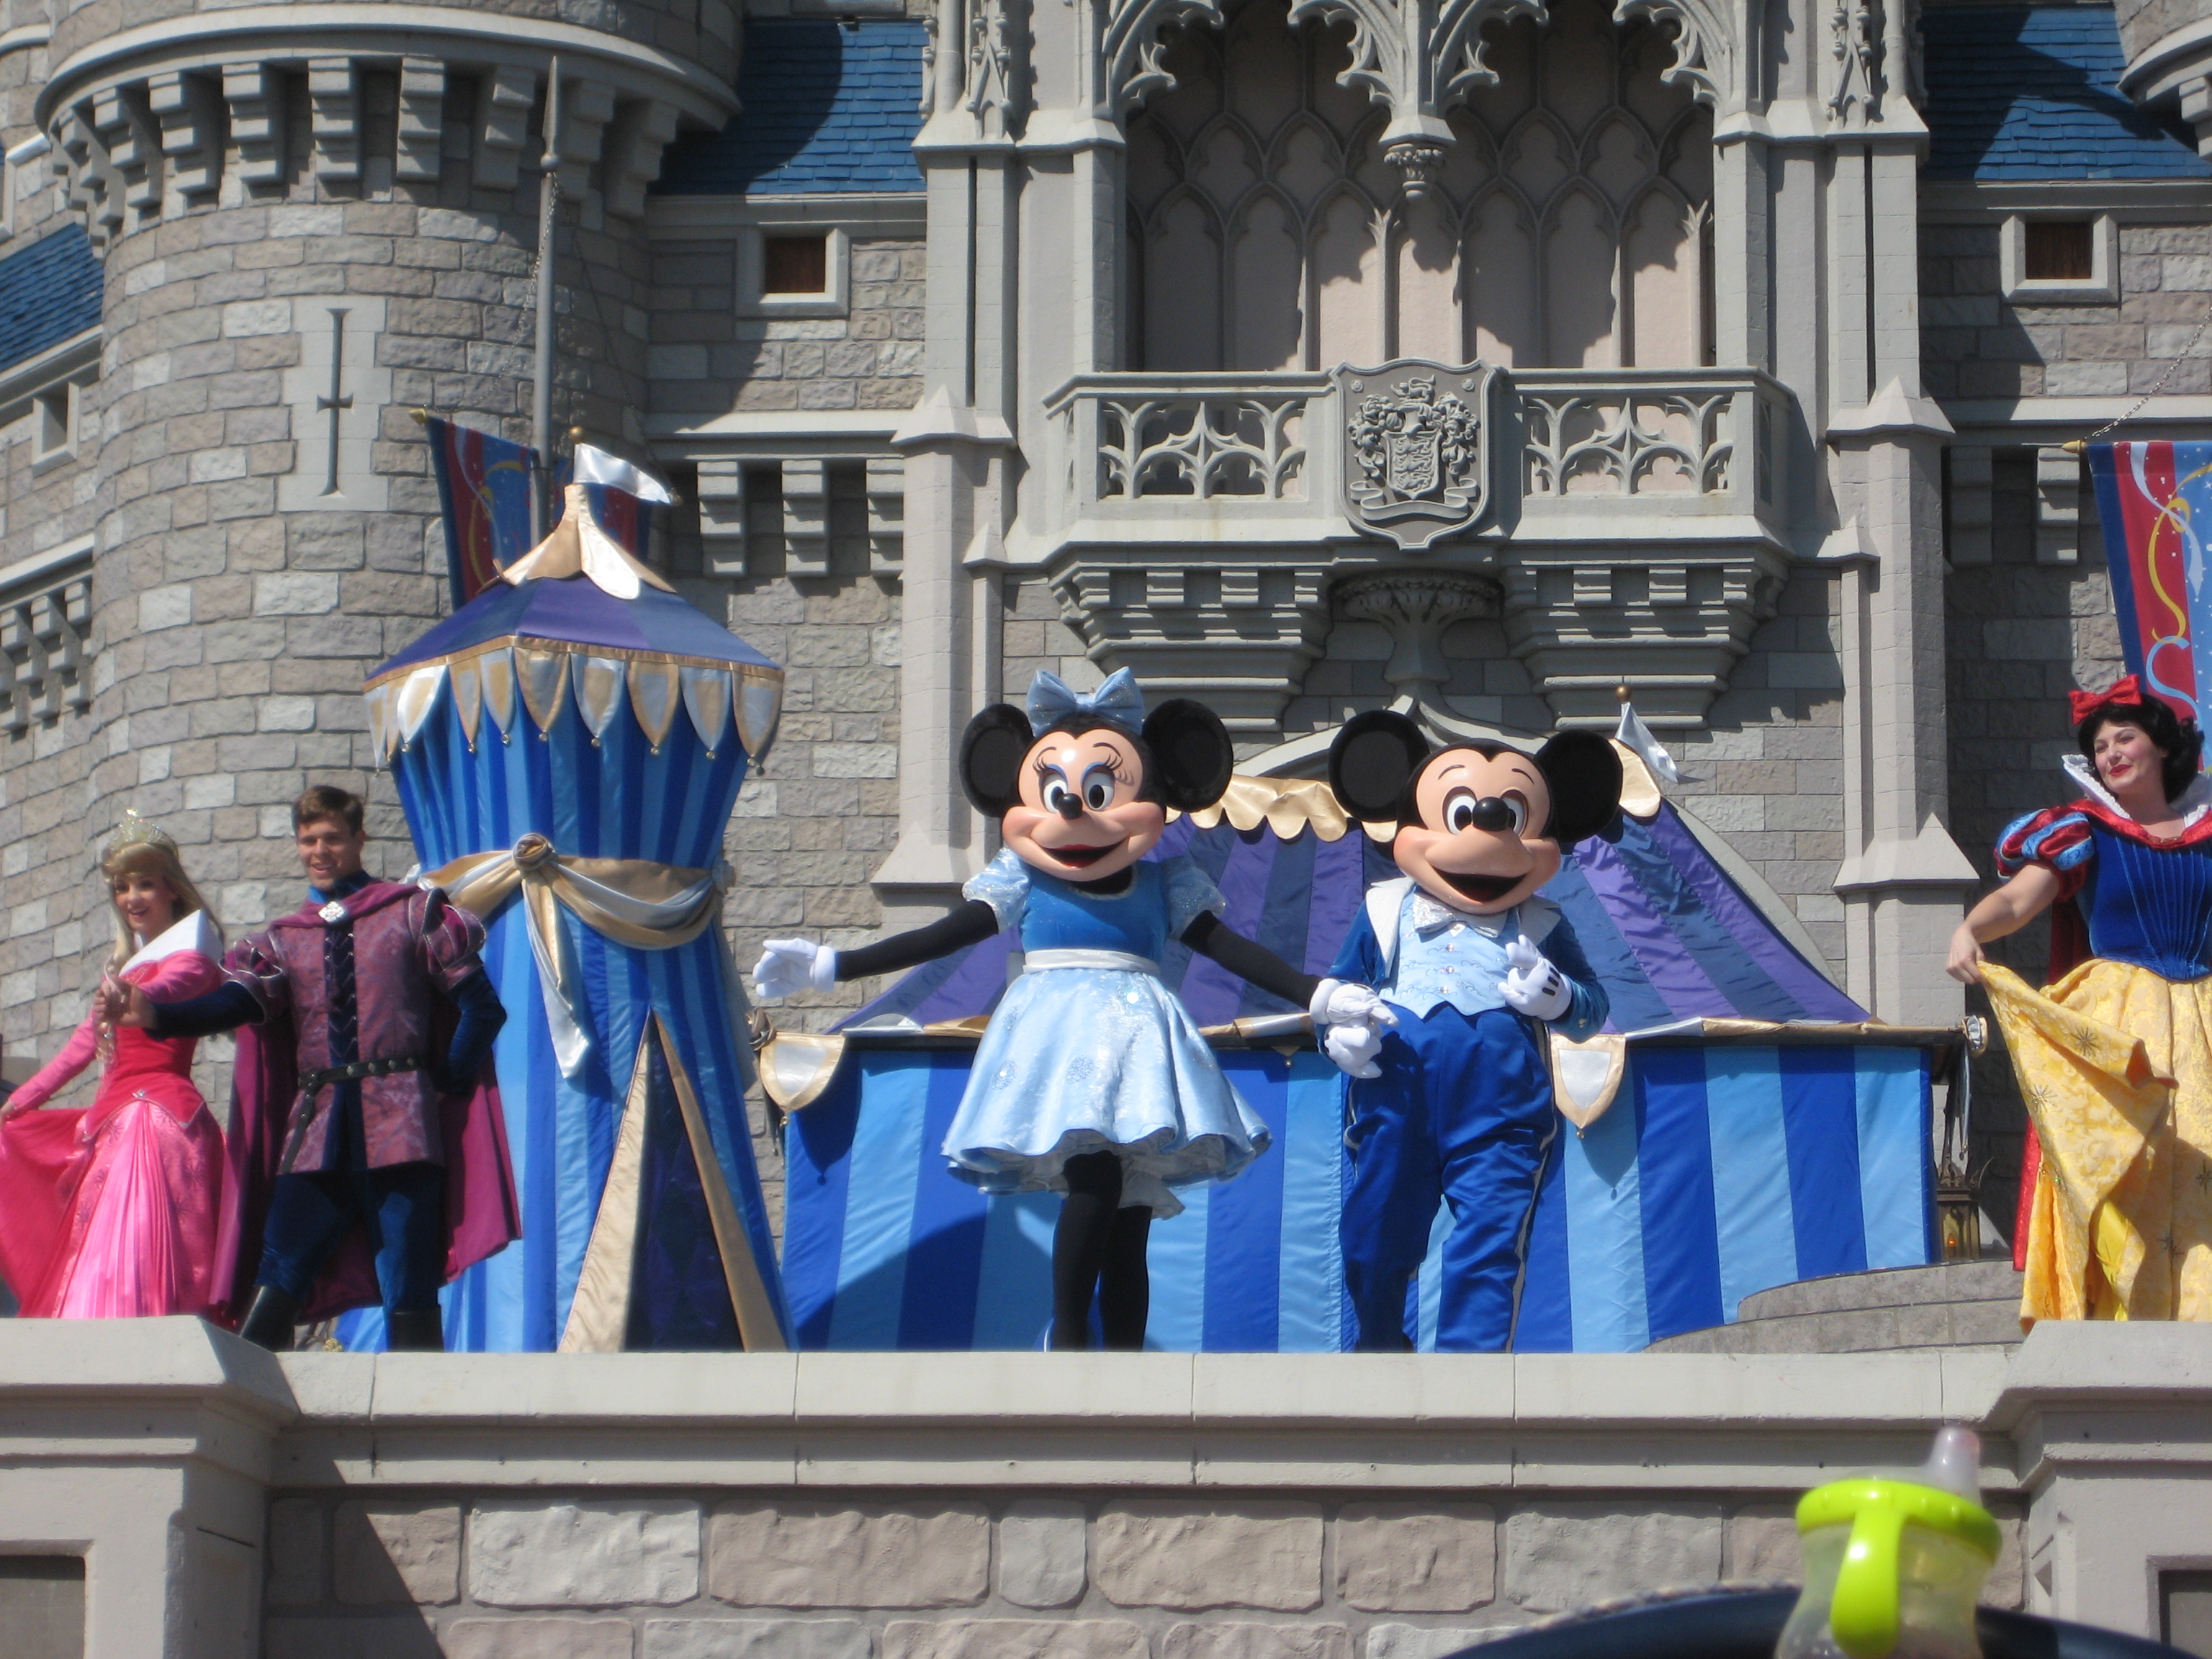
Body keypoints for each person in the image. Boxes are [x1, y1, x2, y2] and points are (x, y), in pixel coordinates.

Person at [751, 670, 1390, 1350]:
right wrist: (834, 965)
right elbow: (943, 937)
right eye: (1055, 792)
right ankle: (1070, 1335)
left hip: (1139, 1047)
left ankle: (1122, 1356)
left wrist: (1318, 995)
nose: (1076, 810)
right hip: (1058, 1043)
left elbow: (1231, 949)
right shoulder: (1023, 879)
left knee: (1131, 1219)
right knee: (1096, 1176)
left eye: (1100, 792)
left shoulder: (1165, 882)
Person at [104, 785, 516, 1351]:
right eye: (308, 841)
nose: (319, 851)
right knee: (281, 1268)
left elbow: (483, 1008)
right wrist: (157, 1014)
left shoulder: (411, 912)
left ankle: (416, 1405)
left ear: (358, 839)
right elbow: (238, 1002)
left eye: (331, 839)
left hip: (403, 1128)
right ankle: (247, 1397)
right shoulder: (284, 939)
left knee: (409, 1277)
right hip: (317, 1131)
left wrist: (446, 1083)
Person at [1319, 712, 1622, 1352]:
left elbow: (1594, 1009)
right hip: (1395, 1102)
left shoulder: (1543, 923)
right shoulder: (1382, 909)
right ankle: (1380, 1345)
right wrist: (1339, 1038)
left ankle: (1470, 1375)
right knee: (1374, 1236)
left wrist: (1560, 996)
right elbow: (1340, 992)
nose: (1486, 831)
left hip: (1502, 1110)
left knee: (1491, 1236)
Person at [1948, 676, 2212, 1323]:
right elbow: (2018, 900)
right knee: (2121, 1167)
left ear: (2163, 747)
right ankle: (2123, 1313)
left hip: (2205, 1019)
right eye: (2100, 746)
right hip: (2122, 1022)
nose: (2111, 754)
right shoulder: (2084, 831)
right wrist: (1970, 929)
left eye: (2125, 738)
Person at [0, 816, 226, 1318]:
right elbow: (77, 1051)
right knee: (99, 1259)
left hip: (153, 1122)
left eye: (144, 884)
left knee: (137, 1253)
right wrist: (16, 1104)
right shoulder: (129, 968)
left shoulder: (193, 958)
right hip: (113, 1125)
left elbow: (173, 989)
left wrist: (135, 998)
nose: (131, 898)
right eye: (122, 887)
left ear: (172, 889)